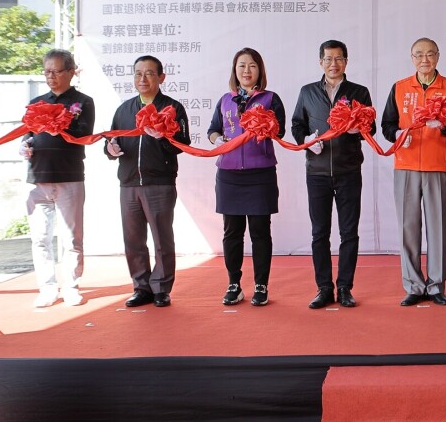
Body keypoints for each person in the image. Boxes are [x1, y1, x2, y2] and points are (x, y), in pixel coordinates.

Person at [382, 37, 446, 306]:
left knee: (437, 227)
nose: (424, 59)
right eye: (419, 54)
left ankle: (436, 285)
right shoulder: (399, 87)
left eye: (430, 54)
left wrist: (442, 126)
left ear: (438, 56)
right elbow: (386, 125)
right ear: (412, 58)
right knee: (408, 227)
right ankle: (414, 285)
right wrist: (397, 134)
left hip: (437, 164)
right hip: (405, 165)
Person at [291, 40, 374, 309]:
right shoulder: (307, 92)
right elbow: (296, 125)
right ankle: (324, 288)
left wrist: (358, 130)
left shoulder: (359, 92)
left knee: (349, 233)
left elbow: (371, 128)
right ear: (321, 62)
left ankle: (345, 287)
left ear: (346, 62)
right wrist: (306, 140)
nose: (333, 64)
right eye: (328, 59)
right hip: (316, 172)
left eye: (339, 59)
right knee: (319, 233)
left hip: (349, 171)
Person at [106, 55, 190, 308]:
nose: (142, 78)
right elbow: (112, 141)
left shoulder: (172, 108)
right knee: (133, 240)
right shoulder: (124, 109)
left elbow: (182, 144)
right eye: (138, 73)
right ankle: (141, 287)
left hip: (159, 182)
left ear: (161, 77)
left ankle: (161, 288)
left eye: (149, 73)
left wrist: (161, 137)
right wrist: (110, 149)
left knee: (162, 239)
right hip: (129, 183)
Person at [207, 48, 285, 307]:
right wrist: (219, 140)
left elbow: (280, 132)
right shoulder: (225, 100)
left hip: (260, 174)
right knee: (232, 232)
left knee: (260, 232)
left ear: (260, 70)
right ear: (235, 70)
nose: (247, 71)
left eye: (252, 65)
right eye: (241, 66)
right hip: (229, 175)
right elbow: (213, 130)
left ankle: (261, 285)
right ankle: (234, 284)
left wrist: (266, 127)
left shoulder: (270, 99)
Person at [21, 49, 95, 307]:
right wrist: (25, 146)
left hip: (69, 176)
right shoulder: (37, 102)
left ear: (71, 72)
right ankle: (47, 287)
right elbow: (27, 134)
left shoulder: (83, 102)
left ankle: (71, 286)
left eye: (56, 71)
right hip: (37, 178)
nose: (50, 76)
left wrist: (59, 126)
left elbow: (84, 134)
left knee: (71, 238)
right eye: (47, 71)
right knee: (40, 238)